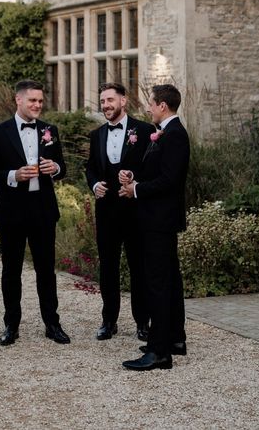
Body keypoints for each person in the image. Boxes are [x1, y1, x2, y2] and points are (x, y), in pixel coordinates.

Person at [0, 79, 70, 346]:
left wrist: (54, 168)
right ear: (18, 100)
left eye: (40, 101)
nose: (37, 105)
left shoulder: (49, 130)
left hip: (43, 210)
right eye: (32, 100)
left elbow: (63, 168)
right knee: (11, 270)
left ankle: (52, 324)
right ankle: (11, 325)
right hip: (11, 212)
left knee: (46, 270)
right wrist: (13, 175)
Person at [118, 83, 189, 371]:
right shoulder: (167, 133)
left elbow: (170, 180)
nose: (147, 108)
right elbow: (157, 171)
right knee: (169, 279)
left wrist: (136, 190)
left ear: (162, 105)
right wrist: (133, 174)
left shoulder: (174, 135)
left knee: (158, 284)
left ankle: (159, 353)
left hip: (159, 220)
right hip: (158, 219)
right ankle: (174, 338)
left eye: (150, 103)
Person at [85, 82, 152, 341]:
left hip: (135, 211)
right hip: (107, 212)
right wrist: (94, 184)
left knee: (139, 267)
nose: (106, 105)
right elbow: (90, 167)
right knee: (108, 268)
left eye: (110, 100)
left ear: (123, 101)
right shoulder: (97, 134)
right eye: (102, 101)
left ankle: (142, 323)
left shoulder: (145, 131)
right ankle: (108, 320)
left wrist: (134, 176)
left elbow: (152, 167)